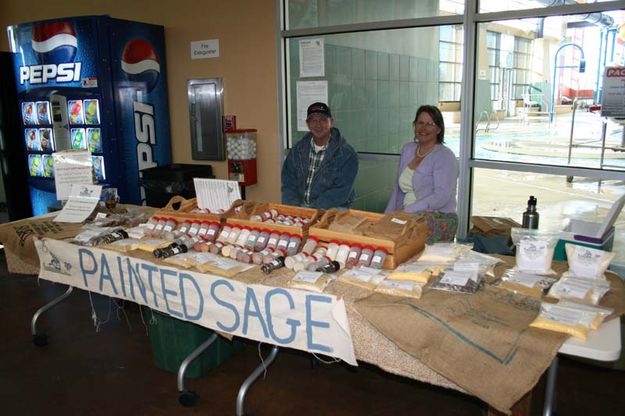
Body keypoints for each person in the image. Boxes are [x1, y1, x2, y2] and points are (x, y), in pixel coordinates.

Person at [385, 105, 459, 241]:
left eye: (430, 124)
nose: (423, 128)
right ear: (414, 126)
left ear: (439, 129)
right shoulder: (408, 149)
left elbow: (441, 197)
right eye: (420, 123)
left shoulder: (445, 156)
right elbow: (398, 190)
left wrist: (407, 212)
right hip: (408, 214)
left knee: (405, 246)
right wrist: (387, 216)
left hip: (438, 216)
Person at [281, 102, 358, 209]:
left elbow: (341, 191)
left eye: (322, 120)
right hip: (300, 206)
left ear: (331, 122)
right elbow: (288, 183)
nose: (318, 125)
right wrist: (294, 209)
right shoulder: (297, 151)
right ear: (308, 124)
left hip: (333, 208)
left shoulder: (347, 154)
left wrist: (312, 210)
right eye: (313, 120)